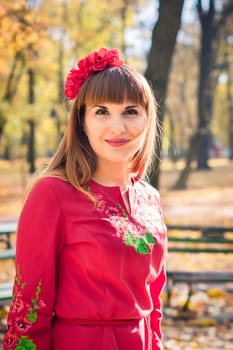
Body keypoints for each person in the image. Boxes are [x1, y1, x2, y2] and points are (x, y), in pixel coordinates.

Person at [4, 47, 167, 350]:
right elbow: (29, 308)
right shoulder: (53, 194)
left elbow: (153, 300)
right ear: (82, 122)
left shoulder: (150, 198)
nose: (118, 127)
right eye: (101, 112)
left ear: (147, 119)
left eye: (130, 111)